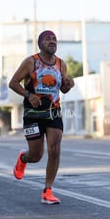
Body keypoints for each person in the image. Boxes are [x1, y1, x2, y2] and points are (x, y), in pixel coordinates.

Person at [9, 30, 75, 204]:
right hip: (33, 114)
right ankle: (23, 158)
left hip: (53, 112)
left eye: (54, 39)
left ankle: (48, 190)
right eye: (48, 39)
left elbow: (62, 89)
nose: (52, 41)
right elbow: (13, 83)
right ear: (40, 44)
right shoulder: (31, 62)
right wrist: (28, 95)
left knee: (55, 150)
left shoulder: (62, 64)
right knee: (36, 155)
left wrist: (68, 85)